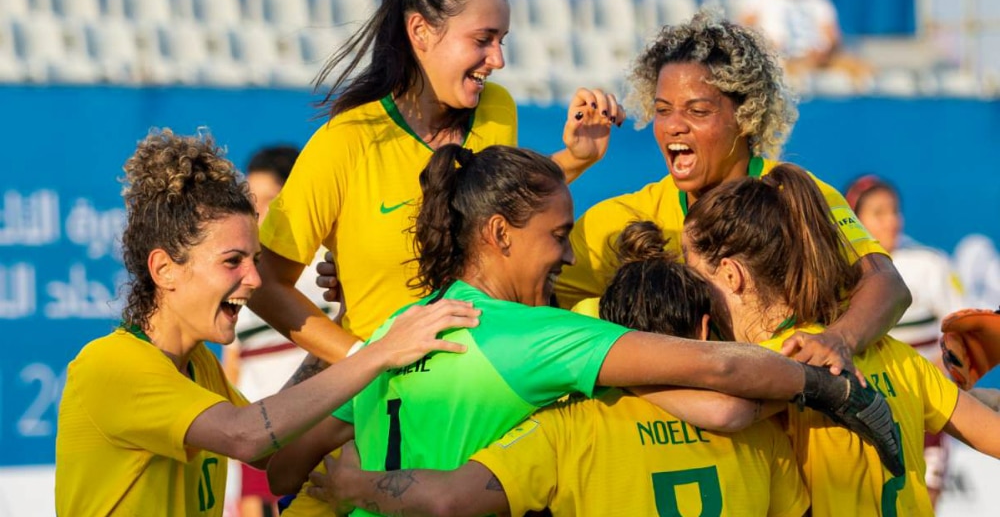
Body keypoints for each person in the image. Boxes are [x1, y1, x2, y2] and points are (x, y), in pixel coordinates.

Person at [267, 144, 901, 517]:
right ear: (498, 235)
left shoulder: (402, 328)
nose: (570, 258)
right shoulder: (540, 337)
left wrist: (355, 487)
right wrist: (833, 391)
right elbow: (721, 378)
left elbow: (286, 466)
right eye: (559, 236)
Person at [247, 0, 622, 365]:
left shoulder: (498, 109)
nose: (498, 60)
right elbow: (265, 283)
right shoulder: (345, 140)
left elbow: (499, 205)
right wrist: (368, 358)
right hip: (388, 413)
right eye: (483, 40)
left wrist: (578, 159)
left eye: (502, 41)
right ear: (421, 31)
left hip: (493, 382)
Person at [53, 128, 480, 516]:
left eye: (254, 261)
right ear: (164, 269)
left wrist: (348, 319)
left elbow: (274, 452)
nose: (255, 279)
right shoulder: (111, 364)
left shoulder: (198, 366)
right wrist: (380, 353)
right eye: (233, 261)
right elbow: (247, 437)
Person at [302, 220, 810, 517]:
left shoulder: (567, 426)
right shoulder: (760, 430)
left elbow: (449, 499)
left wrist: (357, 486)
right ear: (704, 331)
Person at [554, 10, 911, 376]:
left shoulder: (796, 194)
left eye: (697, 110)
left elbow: (887, 285)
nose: (674, 125)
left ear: (746, 115)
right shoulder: (622, 218)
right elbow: (521, 298)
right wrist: (570, 162)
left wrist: (840, 339)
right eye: (662, 111)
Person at [682, 162, 1000, 517]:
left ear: (731, 274)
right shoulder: (897, 356)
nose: (693, 294)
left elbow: (724, 411)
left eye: (695, 276)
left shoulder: (771, 367)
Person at [220, 144, 339, 517]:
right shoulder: (244, 270)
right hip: (258, 426)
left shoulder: (325, 263)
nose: (260, 213)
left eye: (271, 200)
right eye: (252, 202)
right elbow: (234, 360)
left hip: (318, 421)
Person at [845, 173, 968, 507]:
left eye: (895, 210)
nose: (892, 221)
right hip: (868, 406)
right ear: (854, 218)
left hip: (926, 404)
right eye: (879, 212)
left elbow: (965, 333)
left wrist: (938, 366)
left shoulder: (929, 264)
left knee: (926, 496)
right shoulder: (839, 272)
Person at [738, 0, 873, 86]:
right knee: (787, 72)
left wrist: (823, 52)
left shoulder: (818, 0)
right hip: (779, 58)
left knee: (862, 70)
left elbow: (833, 36)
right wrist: (766, 45)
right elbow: (744, 28)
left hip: (818, 58)